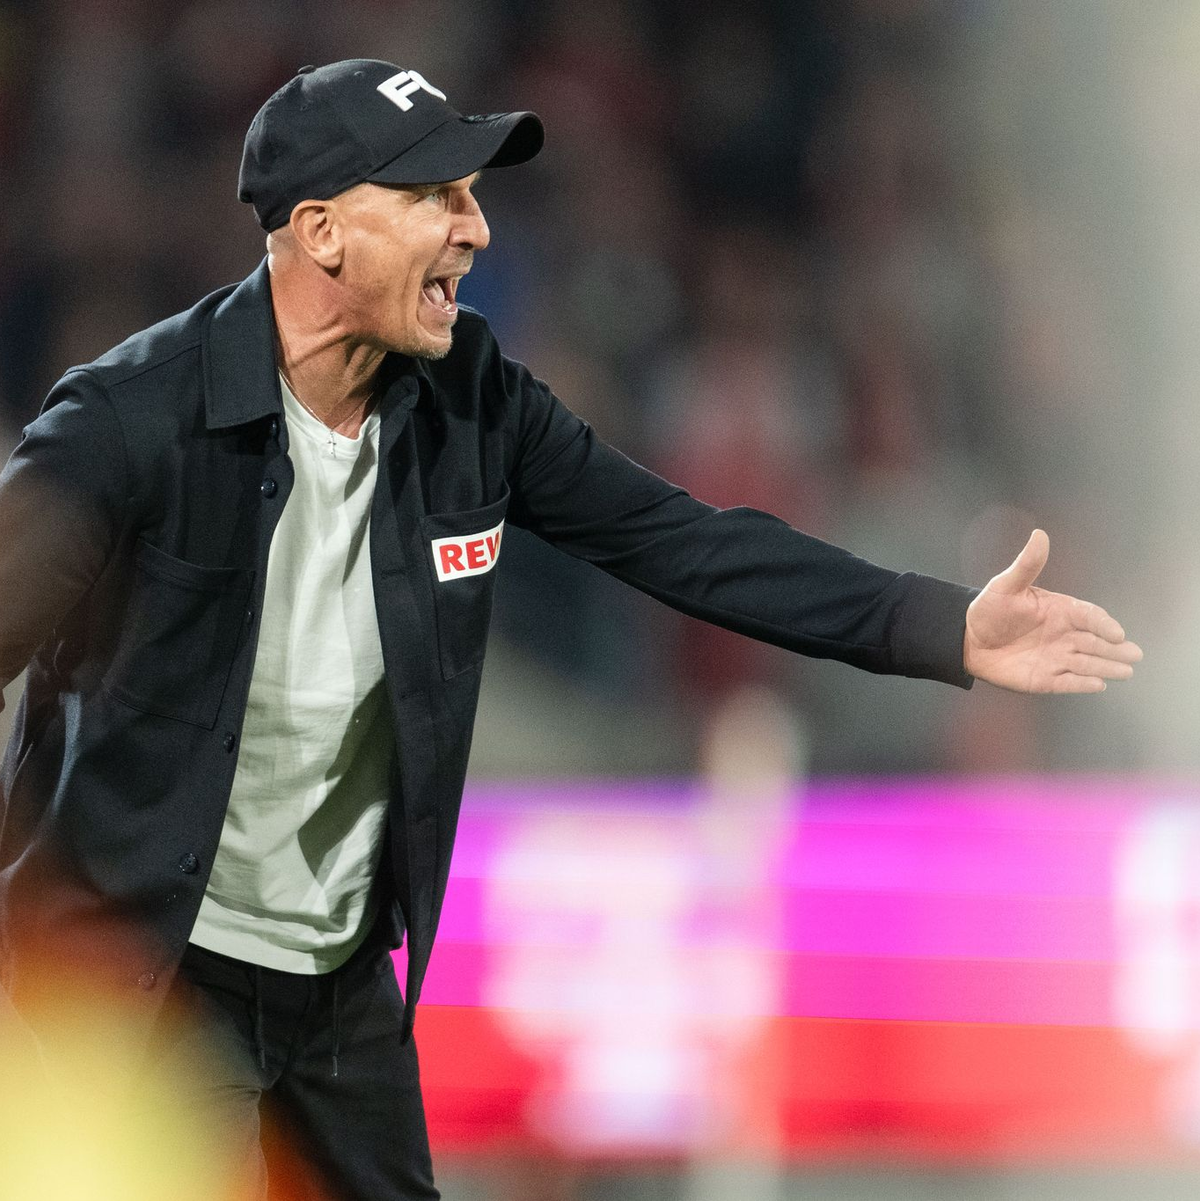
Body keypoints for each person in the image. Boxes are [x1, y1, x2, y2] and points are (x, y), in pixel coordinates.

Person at [0, 58, 1142, 1200]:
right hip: (149, 984)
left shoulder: (475, 402)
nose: (476, 229)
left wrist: (943, 625)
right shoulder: (129, 420)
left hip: (339, 990)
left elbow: (683, 543)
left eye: (471, 194)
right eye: (435, 197)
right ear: (323, 233)